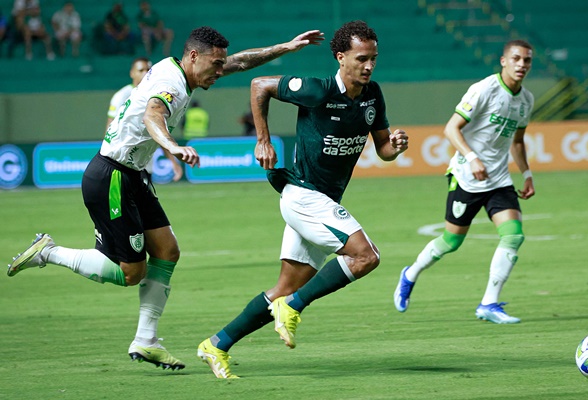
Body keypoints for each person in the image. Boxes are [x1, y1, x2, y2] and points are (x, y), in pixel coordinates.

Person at [7, 26, 324, 371]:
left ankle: (146, 340)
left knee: (167, 251)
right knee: (130, 272)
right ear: (193, 56)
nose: (220, 71)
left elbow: (241, 62)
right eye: (215, 65)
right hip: (111, 176)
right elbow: (152, 114)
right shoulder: (170, 84)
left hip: (131, 176)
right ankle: (48, 252)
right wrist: (172, 146)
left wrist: (286, 46)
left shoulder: (180, 69)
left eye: (220, 65)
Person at [197, 20, 409, 379]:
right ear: (340, 57)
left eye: (373, 58)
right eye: (361, 58)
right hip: (303, 197)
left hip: (319, 204)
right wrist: (262, 140)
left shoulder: (373, 96)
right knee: (365, 256)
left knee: (283, 287)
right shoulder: (318, 90)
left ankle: (216, 344)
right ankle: (293, 307)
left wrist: (396, 146)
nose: (369, 66)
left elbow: (383, 149)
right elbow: (259, 85)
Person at [393, 40, 535, 324]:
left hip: (498, 179)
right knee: (451, 242)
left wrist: (527, 174)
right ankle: (410, 275)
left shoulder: (526, 100)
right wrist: (472, 157)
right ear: (503, 61)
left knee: (513, 236)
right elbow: (450, 128)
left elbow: (517, 141)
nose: (521, 65)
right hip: (466, 178)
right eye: (516, 59)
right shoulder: (485, 89)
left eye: (527, 61)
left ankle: (489, 304)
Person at [106, 56, 183, 182]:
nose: (145, 73)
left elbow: (158, 131)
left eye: (148, 70)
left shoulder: (156, 95)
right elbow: (109, 129)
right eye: (141, 70)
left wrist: (173, 162)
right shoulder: (121, 96)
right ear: (132, 73)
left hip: (145, 164)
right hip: (123, 164)